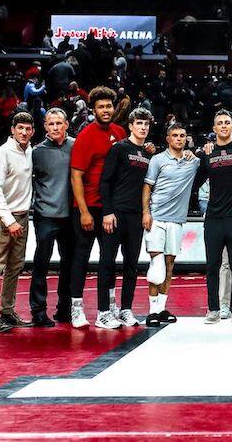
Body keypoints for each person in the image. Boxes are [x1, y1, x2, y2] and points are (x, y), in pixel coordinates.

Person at [69, 87, 127, 328]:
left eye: (109, 106)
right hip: (88, 207)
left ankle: (110, 308)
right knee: (81, 258)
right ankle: (76, 309)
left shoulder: (120, 131)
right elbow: (75, 176)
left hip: (110, 208)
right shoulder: (85, 136)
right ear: (93, 110)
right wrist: (83, 211)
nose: (106, 110)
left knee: (109, 259)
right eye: (101, 107)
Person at [95, 108, 153, 329]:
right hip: (115, 214)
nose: (143, 127)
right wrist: (107, 211)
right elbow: (105, 181)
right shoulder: (119, 149)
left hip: (135, 216)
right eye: (139, 123)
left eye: (146, 124)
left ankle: (125, 309)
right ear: (130, 126)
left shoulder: (148, 154)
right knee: (107, 263)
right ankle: (102, 312)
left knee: (131, 265)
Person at [196, 110, 232, 324]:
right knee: (212, 266)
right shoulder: (207, 154)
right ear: (214, 128)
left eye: (227, 122)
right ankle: (213, 309)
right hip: (213, 218)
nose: (223, 126)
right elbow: (195, 182)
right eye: (219, 123)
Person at [142, 122, 200, 327]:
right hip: (156, 217)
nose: (179, 138)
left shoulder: (193, 161)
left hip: (177, 220)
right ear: (168, 138)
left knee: (169, 265)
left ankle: (162, 308)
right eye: (175, 135)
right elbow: (147, 186)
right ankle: (152, 311)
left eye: (182, 135)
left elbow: (206, 160)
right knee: (156, 265)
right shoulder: (157, 160)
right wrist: (146, 212)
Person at [0, 112, 35, 333]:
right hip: (3, 216)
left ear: (32, 131)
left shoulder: (31, 151)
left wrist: (17, 220)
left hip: (22, 215)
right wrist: (8, 220)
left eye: (28, 129)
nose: (24, 132)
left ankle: (7, 310)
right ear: (12, 130)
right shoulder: (1, 153)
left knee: (15, 267)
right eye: (20, 128)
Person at [29, 108, 75, 327]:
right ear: (45, 126)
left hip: (70, 217)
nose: (55, 127)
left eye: (59, 123)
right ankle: (38, 311)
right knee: (41, 265)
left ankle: (64, 309)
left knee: (69, 265)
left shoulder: (77, 146)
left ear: (66, 124)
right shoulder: (36, 152)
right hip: (45, 216)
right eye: (51, 124)